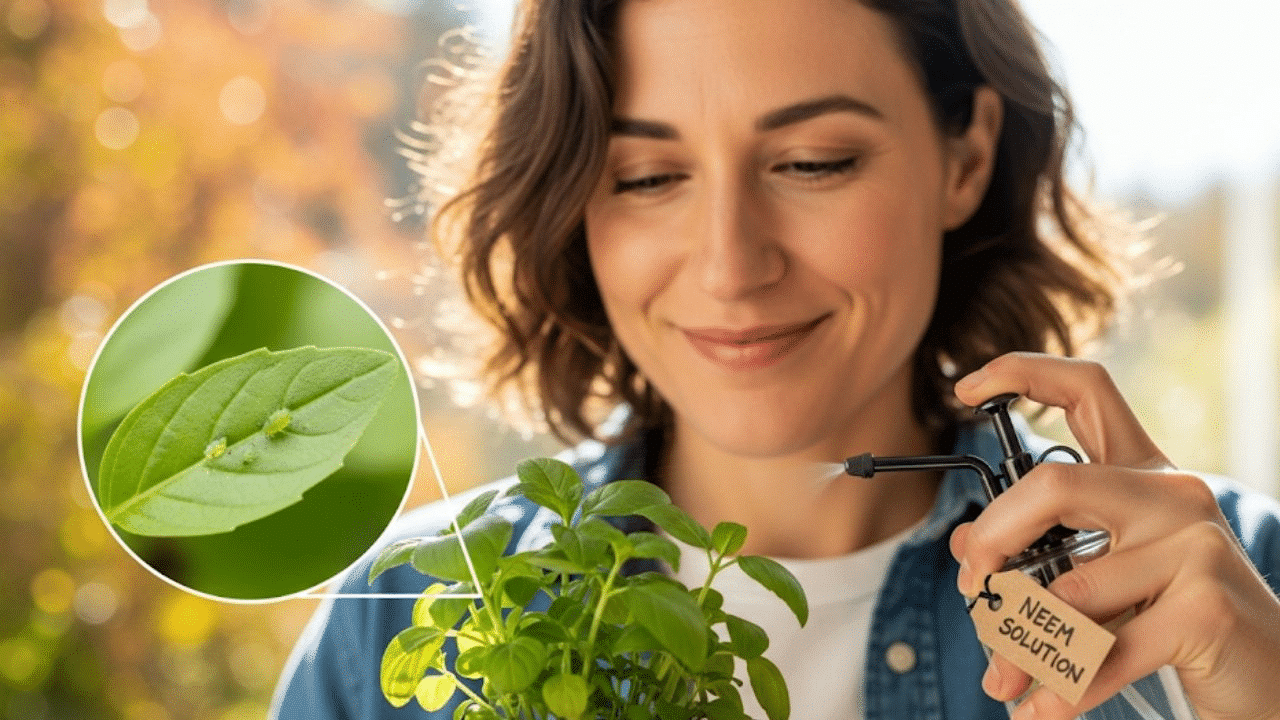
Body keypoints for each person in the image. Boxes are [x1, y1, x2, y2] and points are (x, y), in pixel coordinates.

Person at [272, 0, 1280, 718]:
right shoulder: (405, 614)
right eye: (648, 175)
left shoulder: (1231, 584)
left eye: (812, 164)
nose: (729, 266)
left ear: (964, 158)